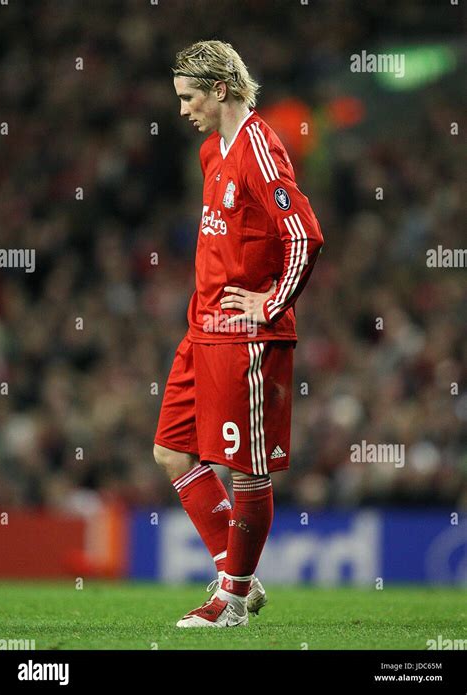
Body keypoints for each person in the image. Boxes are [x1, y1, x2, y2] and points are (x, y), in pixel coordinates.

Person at [153, 40, 324, 628]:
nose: (182, 109)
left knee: (247, 467)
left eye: (188, 96)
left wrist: (271, 304)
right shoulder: (212, 152)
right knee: (171, 452)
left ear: (219, 90)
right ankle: (238, 577)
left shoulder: (260, 148)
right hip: (201, 329)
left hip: (244, 336)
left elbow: (305, 236)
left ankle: (231, 598)